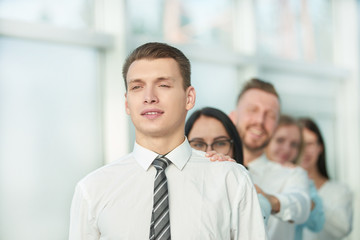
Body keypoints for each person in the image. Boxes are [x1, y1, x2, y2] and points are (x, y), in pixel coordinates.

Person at [69, 42, 267, 239]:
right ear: (127, 103)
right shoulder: (93, 189)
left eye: (163, 85)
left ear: (189, 98)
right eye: (137, 87)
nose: (149, 97)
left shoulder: (230, 180)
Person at [228, 78, 311, 240]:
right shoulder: (212, 167)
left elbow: (302, 206)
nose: (260, 121)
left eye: (270, 115)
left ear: (276, 126)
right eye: (252, 110)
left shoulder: (292, 175)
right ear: (233, 116)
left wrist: (269, 201)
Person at [185, 107, 272, 224]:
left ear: (235, 148)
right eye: (198, 144)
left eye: (220, 143)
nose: (209, 152)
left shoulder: (252, 196)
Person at [265, 115, 325, 240]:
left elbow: (317, 223)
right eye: (280, 140)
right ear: (268, 140)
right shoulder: (249, 171)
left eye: (294, 144)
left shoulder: (302, 178)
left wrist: (301, 186)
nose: (287, 149)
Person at [298, 117, 353, 240]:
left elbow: (343, 228)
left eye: (310, 144)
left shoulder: (339, 190)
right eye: (299, 144)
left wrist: (310, 201)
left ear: (320, 148)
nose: (304, 150)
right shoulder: (281, 187)